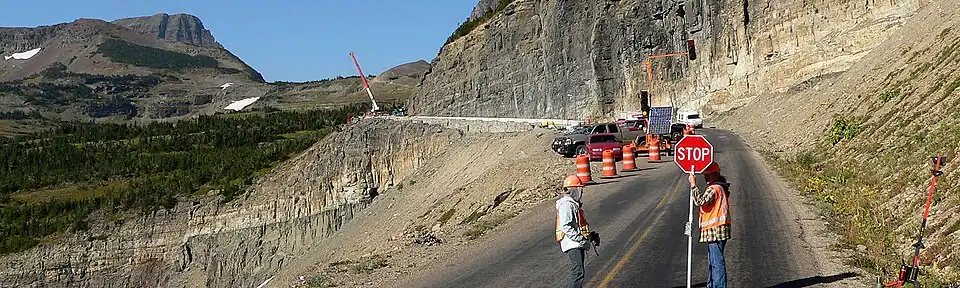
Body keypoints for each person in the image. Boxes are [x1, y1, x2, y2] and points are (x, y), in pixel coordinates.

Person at [689, 162, 731, 288]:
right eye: (705, 175)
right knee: (713, 261)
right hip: (719, 228)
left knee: (716, 261)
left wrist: (693, 184)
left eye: (708, 175)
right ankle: (712, 285)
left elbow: (699, 201)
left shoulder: (714, 189)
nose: (706, 177)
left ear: (715, 174)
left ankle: (718, 286)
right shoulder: (720, 187)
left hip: (715, 229)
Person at [555, 175, 599, 288]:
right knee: (578, 273)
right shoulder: (566, 205)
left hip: (577, 243)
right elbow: (566, 226)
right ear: (574, 189)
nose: (581, 193)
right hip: (573, 244)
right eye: (580, 189)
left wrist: (590, 236)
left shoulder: (572, 204)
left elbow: (578, 225)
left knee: (579, 272)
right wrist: (580, 238)